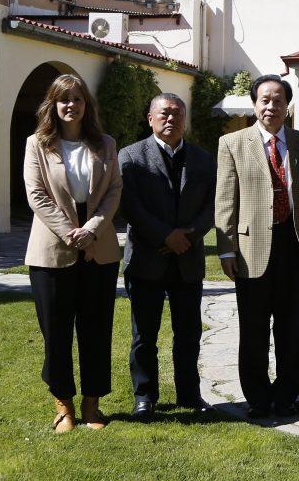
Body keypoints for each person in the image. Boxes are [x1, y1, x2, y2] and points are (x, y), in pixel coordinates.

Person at [23, 74, 121, 433]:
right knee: (56, 330)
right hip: (52, 247)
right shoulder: (37, 144)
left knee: (96, 328)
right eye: (63, 100)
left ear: (86, 106)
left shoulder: (105, 144)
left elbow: (113, 191)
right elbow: (36, 195)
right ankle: (63, 405)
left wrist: (91, 228)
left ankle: (92, 405)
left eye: (77, 99)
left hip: (99, 245)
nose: (70, 106)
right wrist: (69, 231)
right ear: (53, 104)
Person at [215, 75, 299, 418]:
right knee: (253, 327)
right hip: (249, 247)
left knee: (289, 326)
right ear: (255, 104)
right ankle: (257, 397)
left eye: (278, 100)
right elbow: (225, 199)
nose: (271, 106)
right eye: (264, 100)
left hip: (292, 244)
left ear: (288, 105)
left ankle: (286, 394)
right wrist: (225, 249)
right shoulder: (232, 143)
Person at [119, 93, 216, 420]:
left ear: (184, 119)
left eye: (177, 113)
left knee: (188, 334)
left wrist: (187, 237)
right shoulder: (130, 157)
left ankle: (189, 393)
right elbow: (130, 206)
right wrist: (164, 236)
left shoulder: (203, 159)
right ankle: (144, 397)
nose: (171, 119)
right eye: (164, 113)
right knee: (144, 336)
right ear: (150, 118)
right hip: (147, 260)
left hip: (187, 261)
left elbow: (213, 205)